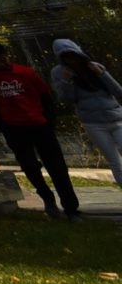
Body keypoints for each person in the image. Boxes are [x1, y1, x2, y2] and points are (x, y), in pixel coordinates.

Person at [0, 41, 79, 217]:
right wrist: (3, 125)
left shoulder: (24, 72)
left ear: (6, 55)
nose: (0, 62)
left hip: (39, 124)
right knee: (30, 166)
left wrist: (48, 121)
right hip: (14, 128)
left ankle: (71, 207)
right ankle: (47, 197)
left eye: (2, 58)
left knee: (57, 166)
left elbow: (45, 96)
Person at [51, 38, 122, 183]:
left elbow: (118, 91)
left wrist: (101, 73)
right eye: (67, 58)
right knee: (115, 161)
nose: (72, 61)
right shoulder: (59, 72)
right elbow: (66, 98)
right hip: (93, 123)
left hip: (117, 118)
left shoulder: (94, 66)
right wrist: (67, 81)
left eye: (74, 56)